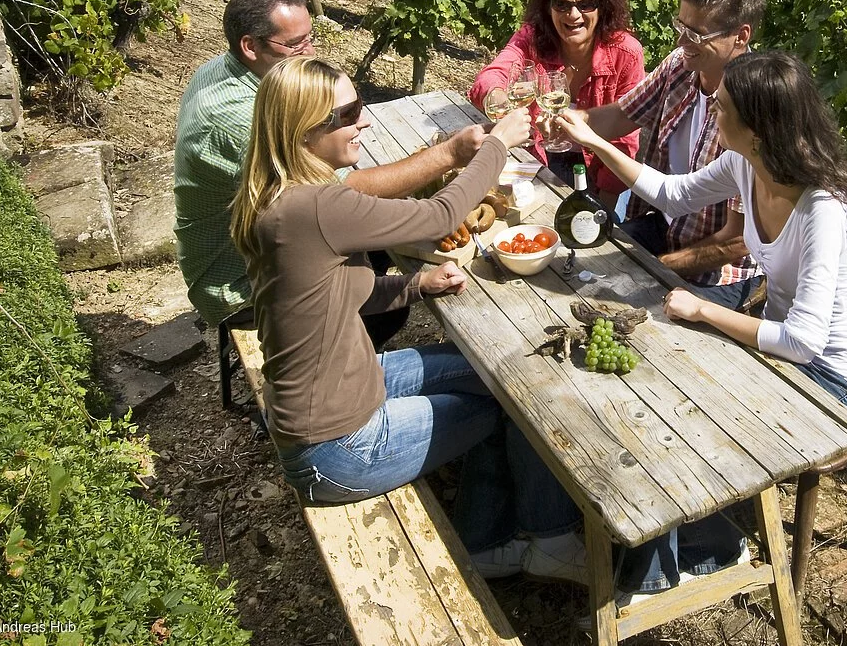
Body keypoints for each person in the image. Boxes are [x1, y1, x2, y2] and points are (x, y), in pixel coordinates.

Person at [229, 56, 587, 582]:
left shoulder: (282, 196)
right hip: (335, 447)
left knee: (498, 373)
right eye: (350, 112)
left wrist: (416, 284)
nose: (365, 121)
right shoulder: (318, 207)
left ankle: (496, 535)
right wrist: (497, 145)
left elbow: (333, 295)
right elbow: (441, 216)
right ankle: (532, 543)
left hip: (340, 391)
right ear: (306, 130)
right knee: (520, 406)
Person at [558, 50, 847, 603]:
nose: (712, 105)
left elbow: (805, 342)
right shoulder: (745, 166)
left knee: (690, 419)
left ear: (757, 128)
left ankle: (698, 552)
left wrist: (704, 308)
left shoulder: (822, 208)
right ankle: (673, 547)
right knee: (662, 392)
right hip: (777, 342)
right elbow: (673, 193)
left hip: (832, 375)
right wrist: (596, 143)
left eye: (724, 105)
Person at [174, 0, 486, 337]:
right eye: (294, 44)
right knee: (386, 308)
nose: (309, 52)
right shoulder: (239, 118)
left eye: (309, 38)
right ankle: (356, 372)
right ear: (250, 46)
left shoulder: (228, 70)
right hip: (241, 285)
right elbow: (348, 192)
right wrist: (448, 154)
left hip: (258, 253)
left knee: (386, 248)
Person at [553, 0, 764, 308]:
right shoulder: (682, 64)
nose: (681, 42)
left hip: (720, 267)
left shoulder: (753, 112)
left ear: (741, 36)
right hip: (665, 227)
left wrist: (656, 267)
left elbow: (739, 242)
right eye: (680, 26)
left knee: (647, 328)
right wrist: (575, 119)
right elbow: (623, 114)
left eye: (695, 34)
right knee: (578, 274)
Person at [468, 0, 643, 204]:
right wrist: (498, 98)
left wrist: (607, 197)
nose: (573, 15)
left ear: (602, 7)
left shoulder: (625, 52)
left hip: (601, 169)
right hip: (538, 161)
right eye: (561, 4)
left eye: (586, 4)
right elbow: (492, 75)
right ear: (547, 7)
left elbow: (625, 135)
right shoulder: (531, 39)